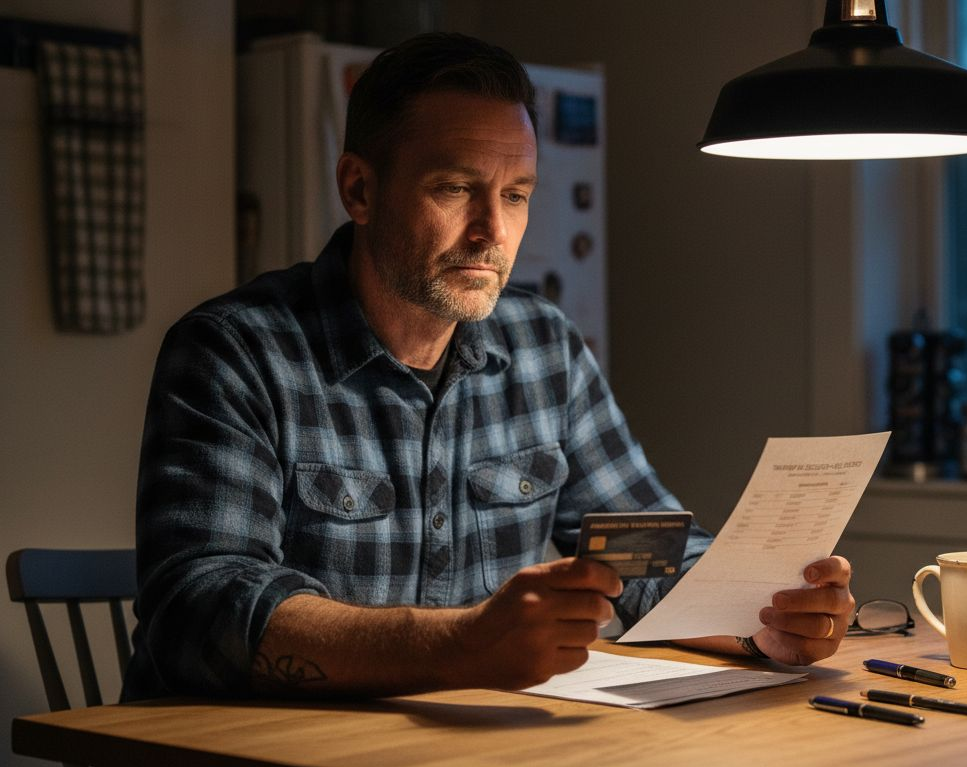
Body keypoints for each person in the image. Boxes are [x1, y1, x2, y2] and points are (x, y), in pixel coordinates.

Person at [123, 32, 855, 701]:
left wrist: (764, 617)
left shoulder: (542, 344)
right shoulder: (235, 350)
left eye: (515, 195)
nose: (492, 232)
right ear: (360, 190)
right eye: (453, 188)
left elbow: (646, 558)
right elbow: (199, 608)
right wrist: (460, 643)